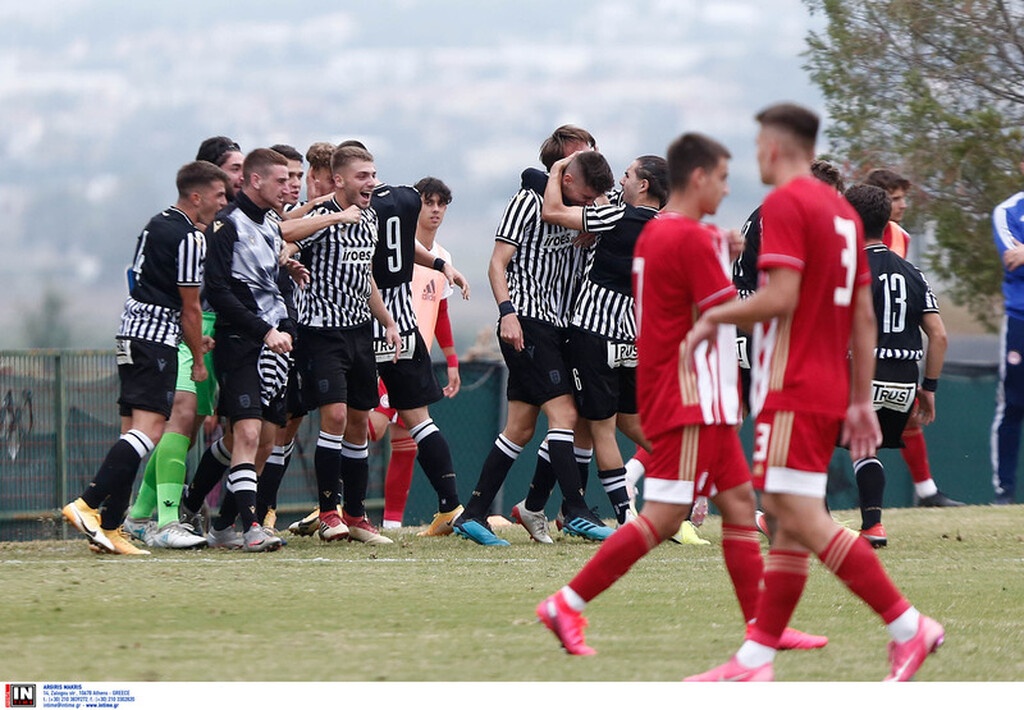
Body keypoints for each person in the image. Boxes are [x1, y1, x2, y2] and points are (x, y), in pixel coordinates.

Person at [536, 132, 826, 656]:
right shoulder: (677, 234)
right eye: (721, 177)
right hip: (690, 393)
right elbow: (718, 309)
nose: (726, 187)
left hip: (694, 391)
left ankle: (765, 629)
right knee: (665, 517)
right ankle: (567, 603)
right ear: (698, 178)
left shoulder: (666, 231)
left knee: (738, 505)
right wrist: (786, 296)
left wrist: (726, 250)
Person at [682, 102, 943, 682]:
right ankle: (756, 659)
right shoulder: (844, 215)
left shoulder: (786, 205)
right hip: (826, 381)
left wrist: (713, 317)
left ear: (776, 147)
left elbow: (781, 298)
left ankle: (908, 626)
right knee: (791, 522)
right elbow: (864, 318)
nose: (755, 157)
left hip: (791, 384)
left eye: (757, 146)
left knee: (796, 515)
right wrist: (855, 399)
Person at [452, 145, 616, 546]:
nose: (590, 205)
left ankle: (473, 512)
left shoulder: (581, 213)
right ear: (565, 174)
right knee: (565, 414)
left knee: (520, 429)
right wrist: (507, 313)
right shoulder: (528, 201)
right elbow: (497, 263)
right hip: (527, 321)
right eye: (586, 195)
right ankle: (574, 509)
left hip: (557, 325)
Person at [62, 160, 227, 555]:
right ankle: (86, 503)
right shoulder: (190, 237)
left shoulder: (157, 222)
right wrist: (197, 356)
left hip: (130, 333)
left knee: (132, 434)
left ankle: (113, 527)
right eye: (219, 195)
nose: (224, 202)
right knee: (152, 431)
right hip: (155, 340)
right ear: (197, 195)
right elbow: (190, 307)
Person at [518, 153, 665, 543]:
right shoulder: (667, 226)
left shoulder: (618, 217)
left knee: (601, 429)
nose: (622, 180)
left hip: (593, 334)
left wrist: (553, 172)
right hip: (632, 335)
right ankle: (690, 470)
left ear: (645, 185)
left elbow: (551, 211)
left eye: (629, 175)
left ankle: (624, 516)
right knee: (625, 422)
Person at [286, 144, 402, 545]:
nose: (371, 182)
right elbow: (283, 235)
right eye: (363, 176)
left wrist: (387, 321)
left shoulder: (369, 218)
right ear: (339, 180)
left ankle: (356, 515)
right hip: (321, 332)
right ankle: (328, 513)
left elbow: (364, 277)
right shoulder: (321, 216)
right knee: (333, 415)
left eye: (373, 174)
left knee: (359, 423)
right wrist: (290, 259)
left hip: (359, 333)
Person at [842, 183, 949, 547]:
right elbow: (938, 336)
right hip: (904, 383)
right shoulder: (913, 272)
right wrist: (929, 389)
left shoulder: (848, 269)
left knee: (804, 432)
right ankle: (873, 526)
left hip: (863, 373)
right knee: (864, 448)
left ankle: (795, 517)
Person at [201, 147, 296, 552]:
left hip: (276, 343)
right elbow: (218, 292)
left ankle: (212, 518)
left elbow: (273, 284)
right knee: (248, 432)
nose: (289, 186)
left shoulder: (272, 224)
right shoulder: (227, 225)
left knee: (266, 441)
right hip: (241, 343)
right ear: (255, 181)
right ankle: (253, 527)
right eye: (281, 180)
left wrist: (287, 323)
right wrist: (263, 331)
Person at [864, 168, 962, 508]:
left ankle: (924, 492)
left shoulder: (900, 237)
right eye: (895, 198)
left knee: (900, 416)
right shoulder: (852, 240)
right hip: (864, 349)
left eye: (904, 197)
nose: (903, 205)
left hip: (891, 348)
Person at [374, 176, 466, 531]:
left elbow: (440, 311)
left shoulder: (442, 258)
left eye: (442, 204)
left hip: (414, 355)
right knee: (369, 429)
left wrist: (452, 359)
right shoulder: (397, 251)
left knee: (406, 441)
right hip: (383, 349)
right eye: (429, 203)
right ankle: (332, 506)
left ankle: (392, 523)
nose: (436, 210)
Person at [991, 154, 1024, 506]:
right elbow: (1012, 259)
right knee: (1013, 403)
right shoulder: (1008, 211)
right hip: (1020, 319)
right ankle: (1004, 490)